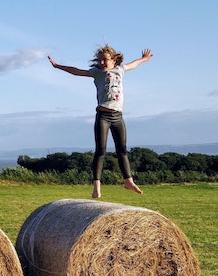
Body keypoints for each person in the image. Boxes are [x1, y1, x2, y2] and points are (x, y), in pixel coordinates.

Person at [48, 45, 153, 198]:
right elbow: (76, 71)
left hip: (118, 116)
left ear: (114, 60)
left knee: (122, 150)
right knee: (100, 151)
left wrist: (144, 59)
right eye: (100, 60)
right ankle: (97, 186)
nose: (102, 62)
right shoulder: (96, 72)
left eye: (105, 59)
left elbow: (134, 64)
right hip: (103, 116)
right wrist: (58, 66)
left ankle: (128, 181)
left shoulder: (120, 70)